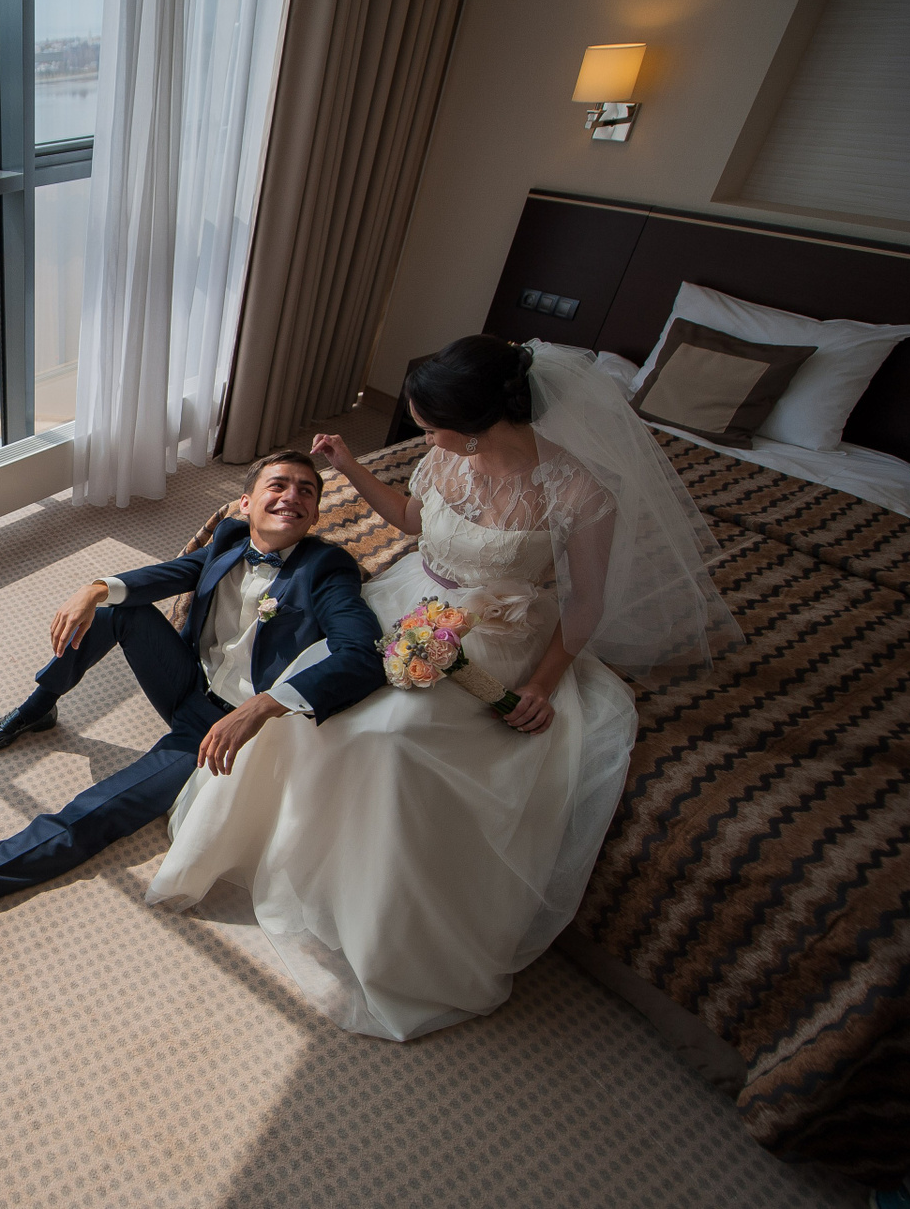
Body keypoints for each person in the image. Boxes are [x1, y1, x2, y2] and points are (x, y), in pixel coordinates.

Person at [144, 335, 738, 1040]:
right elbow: (413, 521)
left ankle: (376, 923)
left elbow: (585, 606)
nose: (422, 437)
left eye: (431, 427)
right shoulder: (447, 456)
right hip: (410, 596)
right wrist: (350, 466)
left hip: (496, 630)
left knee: (391, 737)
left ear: (477, 424)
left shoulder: (581, 492)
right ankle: (282, 855)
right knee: (313, 687)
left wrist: (543, 683)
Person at [0, 451, 387, 952]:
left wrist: (265, 705)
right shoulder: (229, 537)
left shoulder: (328, 569)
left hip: (218, 728)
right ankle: (38, 707)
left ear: (314, 513)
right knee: (115, 609)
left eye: (306, 491)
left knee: (101, 810)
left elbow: (363, 655)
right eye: (279, 485)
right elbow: (172, 573)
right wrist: (95, 588)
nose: (292, 497)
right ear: (246, 503)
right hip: (186, 679)